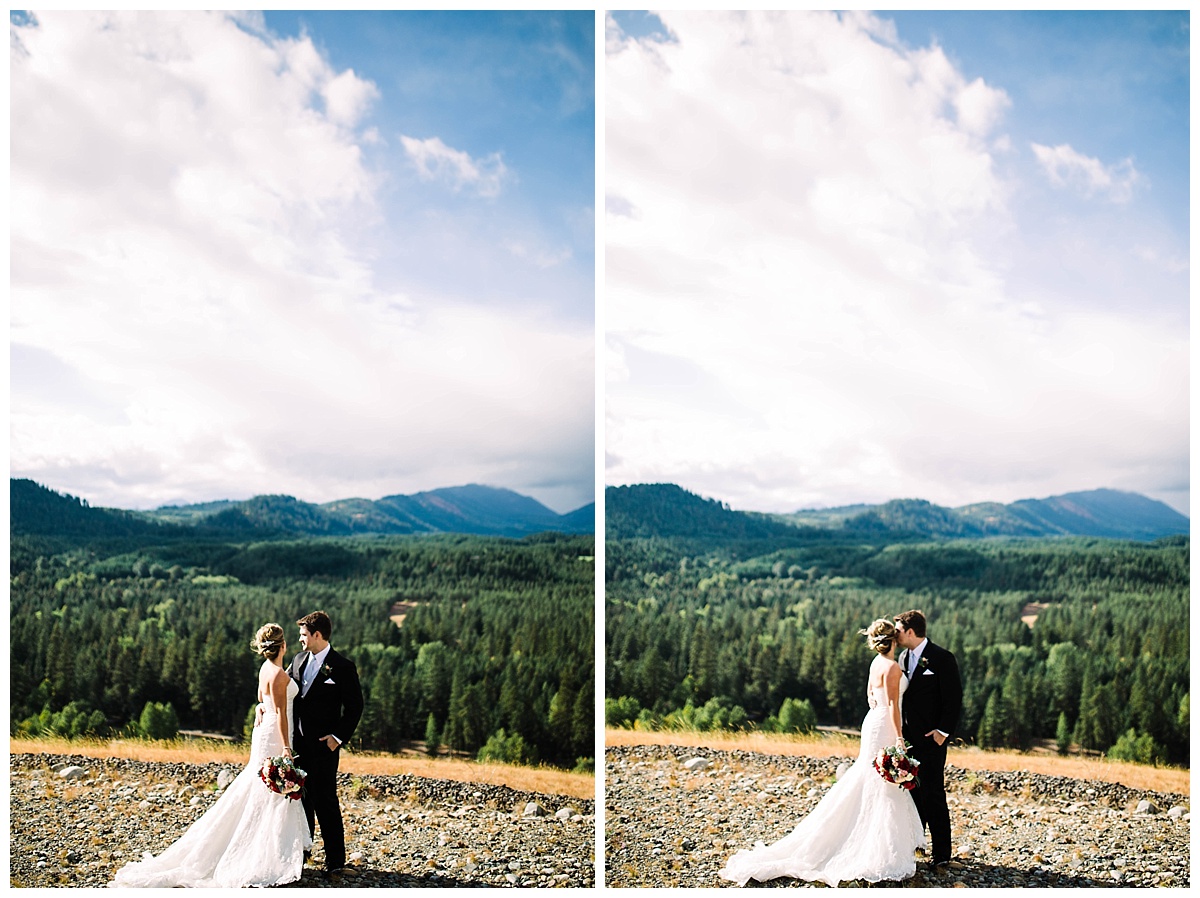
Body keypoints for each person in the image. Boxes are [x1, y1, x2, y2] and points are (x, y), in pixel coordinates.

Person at [719, 619, 924, 886]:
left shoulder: (876, 664)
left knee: (869, 777)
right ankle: (874, 848)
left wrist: (880, 714)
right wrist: (898, 738)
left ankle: (853, 836)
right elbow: (894, 707)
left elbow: (870, 696)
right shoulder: (893, 668)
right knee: (880, 782)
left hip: (872, 720)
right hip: (885, 723)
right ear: (893, 640)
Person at [110, 623, 311, 887]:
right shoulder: (281, 677)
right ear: (283, 646)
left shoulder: (265, 669)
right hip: (275, 735)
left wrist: (261, 707)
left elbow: (262, 698)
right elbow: (282, 716)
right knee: (271, 791)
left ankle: (261, 847)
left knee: (259, 787)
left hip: (263, 733)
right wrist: (286, 747)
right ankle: (264, 853)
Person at [288, 610, 363, 876]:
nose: (300, 640)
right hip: (298, 746)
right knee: (300, 799)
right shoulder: (297, 660)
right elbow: (283, 689)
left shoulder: (342, 666)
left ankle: (335, 862)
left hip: (324, 747)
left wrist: (337, 738)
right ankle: (303, 852)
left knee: (326, 801)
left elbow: (355, 707)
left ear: (317, 635)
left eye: (303, 635)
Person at [894, 609, 962, 871]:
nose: (896, 634)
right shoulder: (903, 656)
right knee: (912, 791)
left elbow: (953, 698)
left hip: (931, 739)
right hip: (909, 739)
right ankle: (915, 843)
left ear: (911, 632)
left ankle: (942, 853)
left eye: (899, 630)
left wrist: (942, 732)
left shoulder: (942, 658)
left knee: (934, 793)